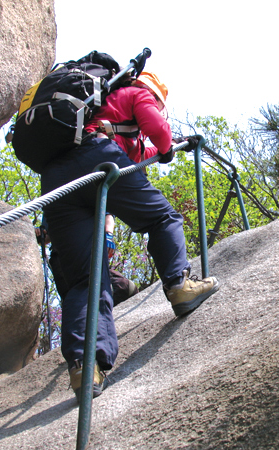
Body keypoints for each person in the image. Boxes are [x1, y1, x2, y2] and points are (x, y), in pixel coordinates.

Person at [40, 71, 220, 402]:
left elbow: (139, 151)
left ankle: (85, 365)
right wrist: (168, 145)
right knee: (163, 217)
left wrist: (168, 149)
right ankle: (180, 287)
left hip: (55, 179)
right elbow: (155, 128)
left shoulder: (99, 111)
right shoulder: (134, 94)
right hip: (98, 160)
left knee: (85, 280)